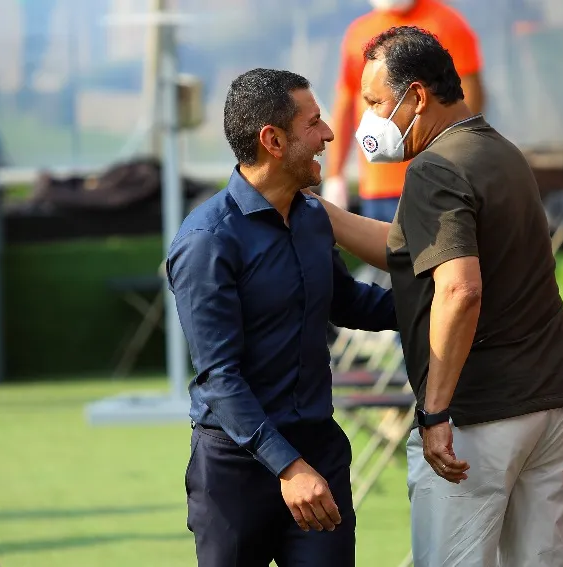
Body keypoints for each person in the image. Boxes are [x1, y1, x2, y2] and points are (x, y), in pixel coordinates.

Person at [312, 26, 563, 566]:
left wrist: (435, 409)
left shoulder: (433, 168)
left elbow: (460, 288)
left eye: (375, 102)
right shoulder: (498, 151)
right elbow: (405, 247)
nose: (368, 118)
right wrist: (322, 213)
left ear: (417, 96)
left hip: (483, 413)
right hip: (556, 399)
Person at [166, 68, 397, 567]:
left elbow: (349, 302)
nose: (329, 135)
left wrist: (438, 305)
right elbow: (220, 378)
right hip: (236, 469)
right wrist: (287, 466)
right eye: (314, 123)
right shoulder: (207, 240)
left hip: (319, 453)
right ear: (272, 140)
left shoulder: (313, 216)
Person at [321, 0, 485, 221]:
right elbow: (346, 104)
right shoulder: (359, 31)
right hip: (376, 184)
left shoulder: (446, 22)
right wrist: (334, 175)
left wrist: (455, 162)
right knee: (384, 252)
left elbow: (467, 98)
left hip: (434, 179)